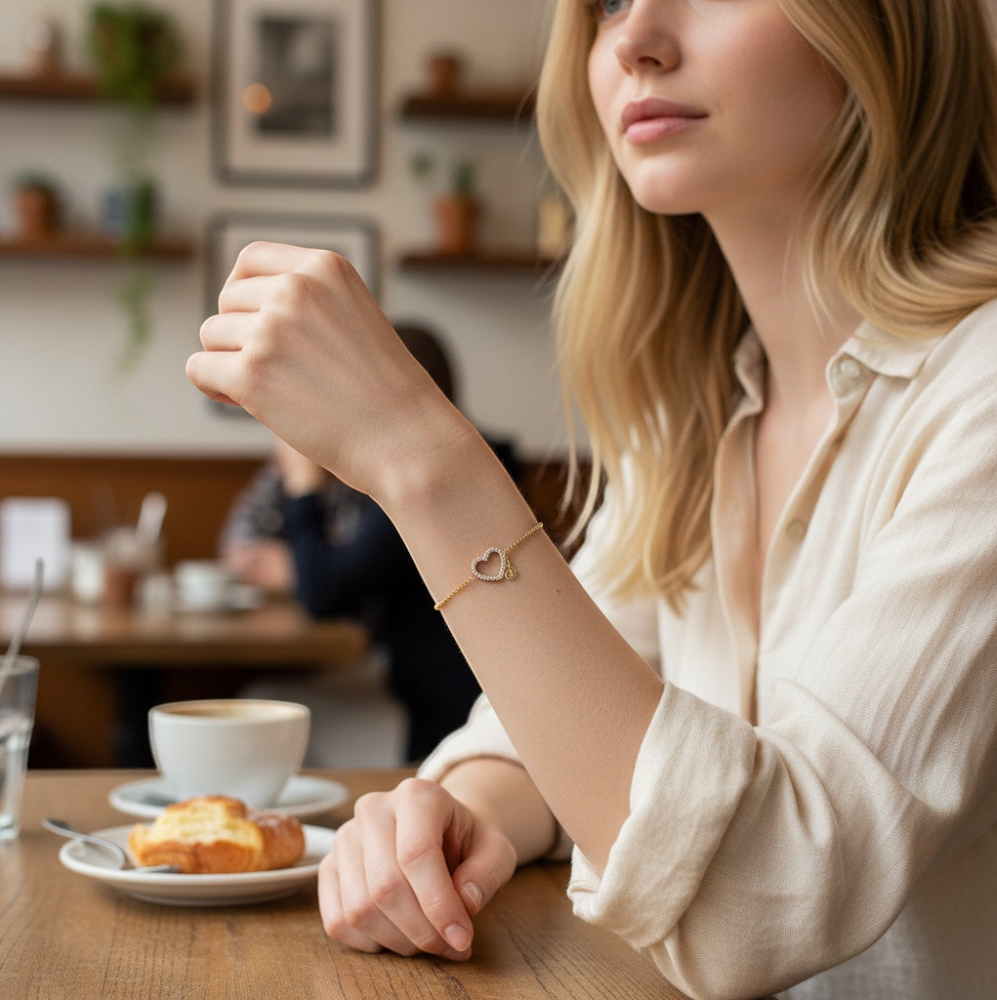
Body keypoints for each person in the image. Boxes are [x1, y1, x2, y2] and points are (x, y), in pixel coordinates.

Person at [186, 0, 997, 996]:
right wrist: (463, 808)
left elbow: (760, 891)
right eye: (608, 1)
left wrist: (423, 457)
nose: (634, 37)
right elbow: (555, 727)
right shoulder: (685, 421)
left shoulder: (980, 395)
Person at [219, 325, 517, 763]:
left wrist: (304, 485)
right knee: (261, 698)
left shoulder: (432, 479)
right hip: (429, 686)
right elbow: (333, 572)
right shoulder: (436, 462)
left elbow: (322, 594)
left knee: (258, 705)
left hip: (441, 710)